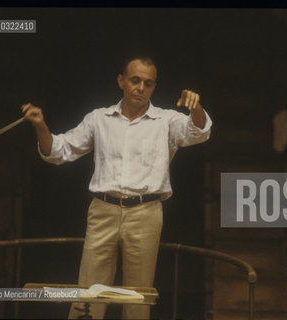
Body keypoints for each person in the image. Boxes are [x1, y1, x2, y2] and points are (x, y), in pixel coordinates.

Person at [22, 56, 212, 319]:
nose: (140, 87)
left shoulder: (166, 120)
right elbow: (58, 150)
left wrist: (196, 107)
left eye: (148, 83)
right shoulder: (99, 118)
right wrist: (41, 125)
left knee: (138, 295)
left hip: (146, 212)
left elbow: (199, 131)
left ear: (154, 87)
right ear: (121, 81)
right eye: (135, 80)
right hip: (103, 210)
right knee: (88, 291)